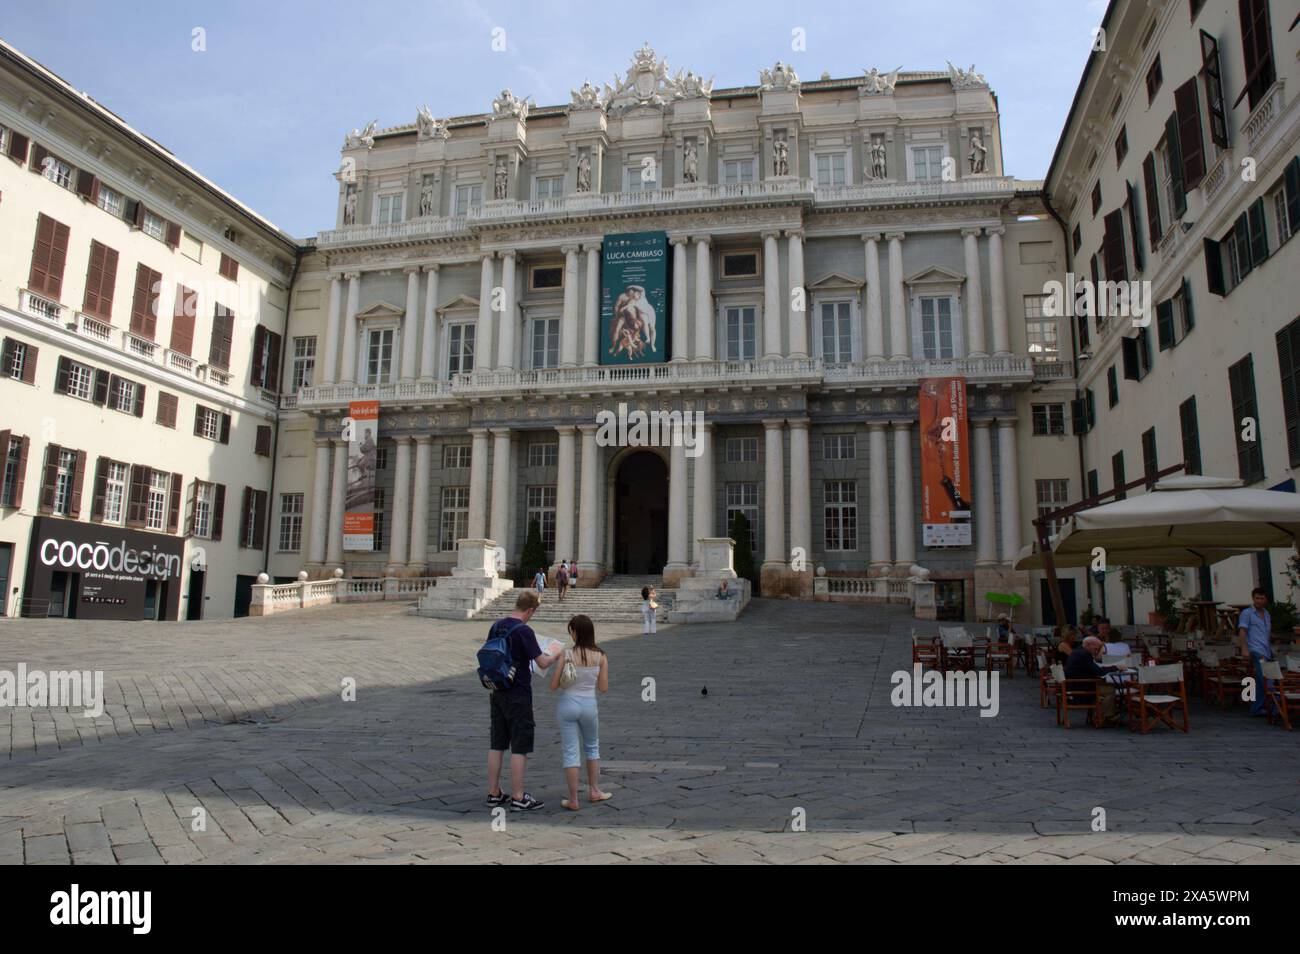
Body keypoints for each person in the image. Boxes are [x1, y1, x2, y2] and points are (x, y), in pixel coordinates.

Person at [486, 590, 562, 811]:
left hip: (497, 690)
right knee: (520, 746)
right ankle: (519, 796)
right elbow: (542, 662)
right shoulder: (524, 631)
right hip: (518, 692)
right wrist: (557, 654)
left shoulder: (496, 626)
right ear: (529, 610)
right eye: (533, 612)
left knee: (497, 743)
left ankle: (494, 792)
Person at [549, 614, 612, 810]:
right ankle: (594, 790)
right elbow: (603, 688)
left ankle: (573, 799)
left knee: (570, 751)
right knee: (592, 747)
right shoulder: (601, 656)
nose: (572, 635)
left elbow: (553, 685)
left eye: (572, 631)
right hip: (589, 705)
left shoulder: (566, 654)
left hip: (567, 704)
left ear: (576, 632)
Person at [1064, 635, 1121, 724]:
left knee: (1106, 685)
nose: (1096, 651)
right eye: (1095, 649)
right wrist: (1116, 667)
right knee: (1111, 689)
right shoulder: (1085, 654)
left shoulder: (1077, 651)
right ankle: (1104, 716)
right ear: (1088, 645)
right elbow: (1099, 672)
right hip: (1081, 689)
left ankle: (1103, 714)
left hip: (1073, 686)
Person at [1238, 587, 1275, 717]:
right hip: (1255, 650)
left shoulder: (1267, 614)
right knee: (1267, 679)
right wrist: (1244, 649)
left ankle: (1257, 708)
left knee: (1261, 681)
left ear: (1266, 599)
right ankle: (1275, 709)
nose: (1259, 601)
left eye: (1262, 598)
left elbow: (1267, 633)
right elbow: (1242, 631)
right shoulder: (1247, 613)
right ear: (1253, 598)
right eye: (1257, 598)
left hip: (1266, 651)